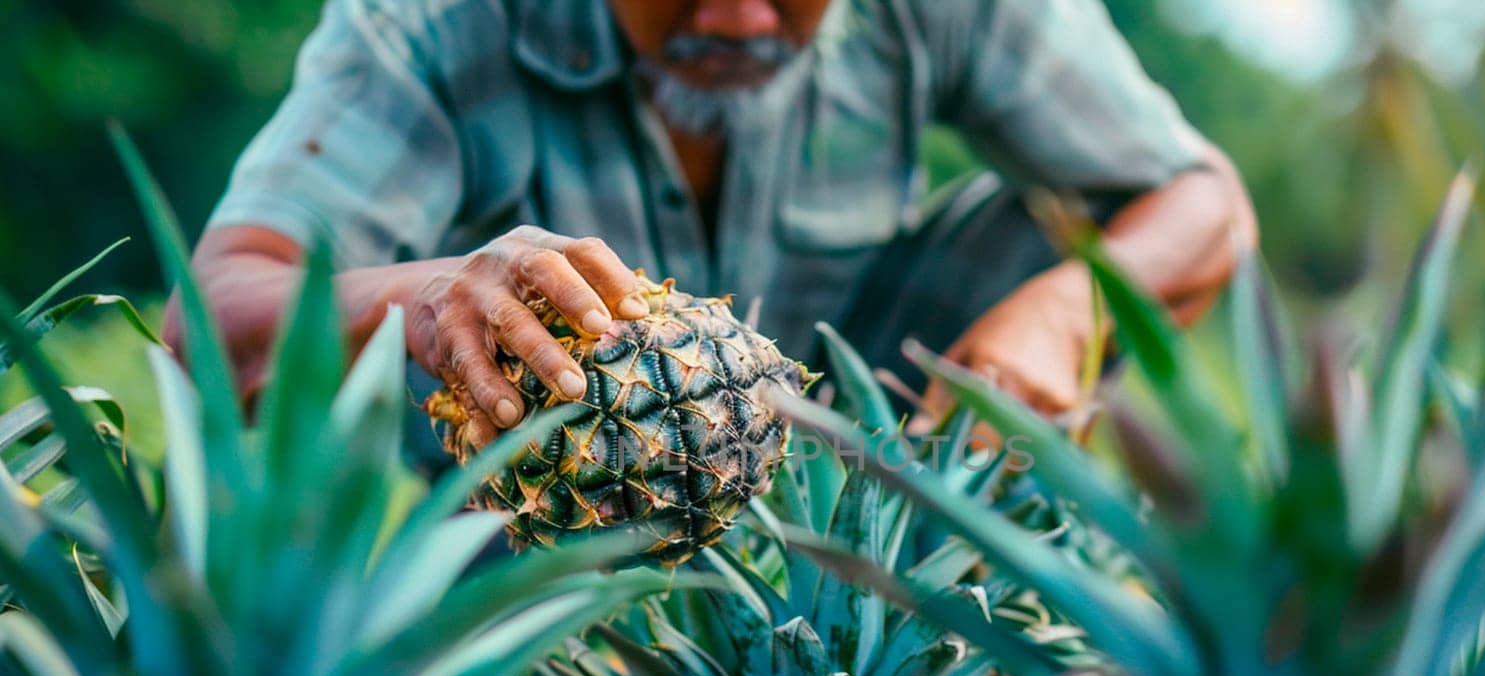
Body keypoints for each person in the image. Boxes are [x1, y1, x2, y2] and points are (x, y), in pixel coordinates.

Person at [175, 0, 1256, 462]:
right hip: (529, 553)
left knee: (1077, 237)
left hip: (867, 508)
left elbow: (1206, 202)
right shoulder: (430, 23)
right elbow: (210, 315)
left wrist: (1068, 307)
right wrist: (418, 296)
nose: (738, 20)